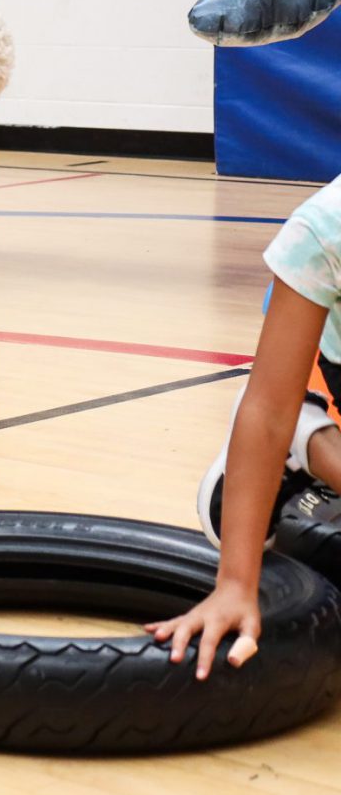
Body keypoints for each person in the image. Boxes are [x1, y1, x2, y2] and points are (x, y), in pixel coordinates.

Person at [146, 179, 341, 679]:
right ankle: (309, 440)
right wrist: (236, 583)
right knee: (279, 425)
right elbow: (268, 408)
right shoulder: (324, 230)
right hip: (317, 385)